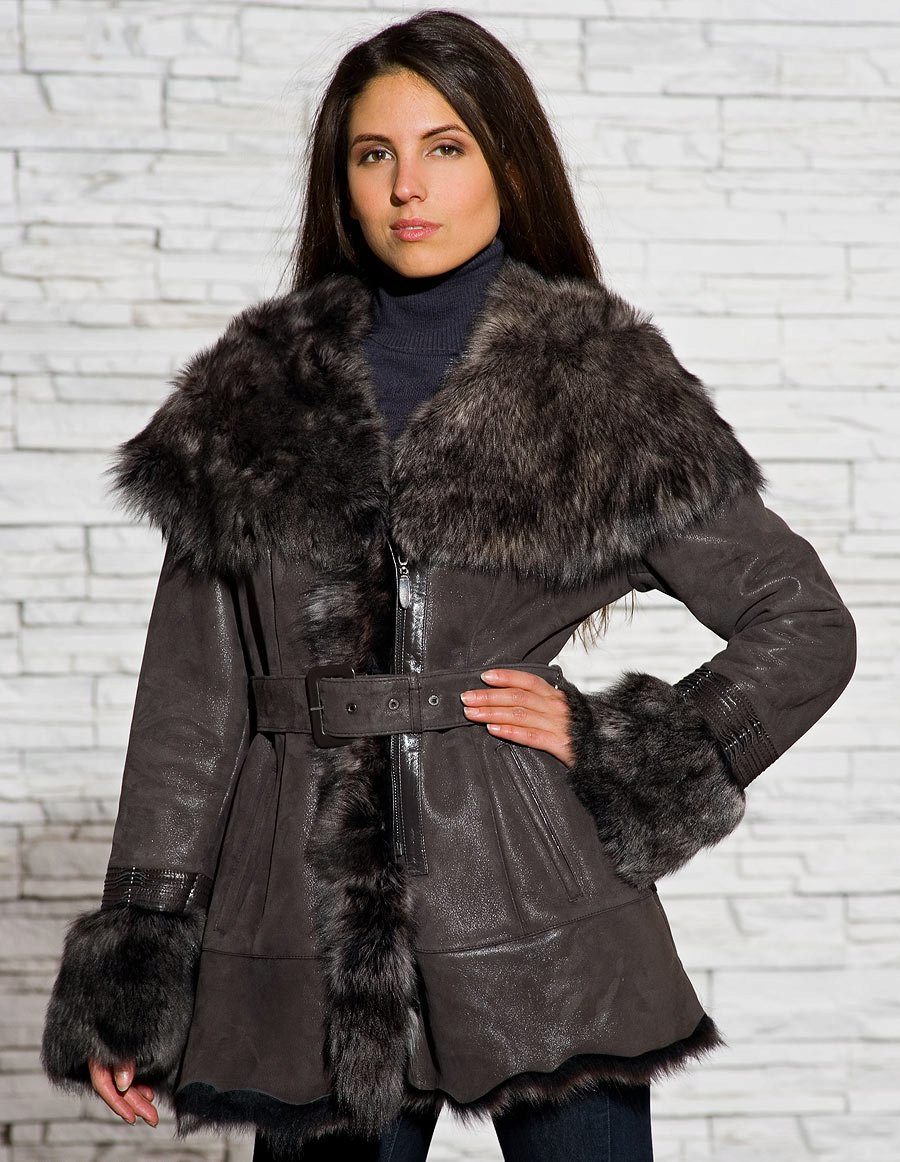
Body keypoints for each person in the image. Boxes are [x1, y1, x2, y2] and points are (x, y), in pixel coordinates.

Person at [39, 10, 857, 1162]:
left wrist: (623, 745)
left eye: (446, 147)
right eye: (374, 153)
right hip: (304, 926)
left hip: (544, 909)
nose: (406, 187)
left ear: (507, 163)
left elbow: (803, 620)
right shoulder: (253, 393)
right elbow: (192, 705)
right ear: (341, 180)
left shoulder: (597, 385)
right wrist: (139, 961)